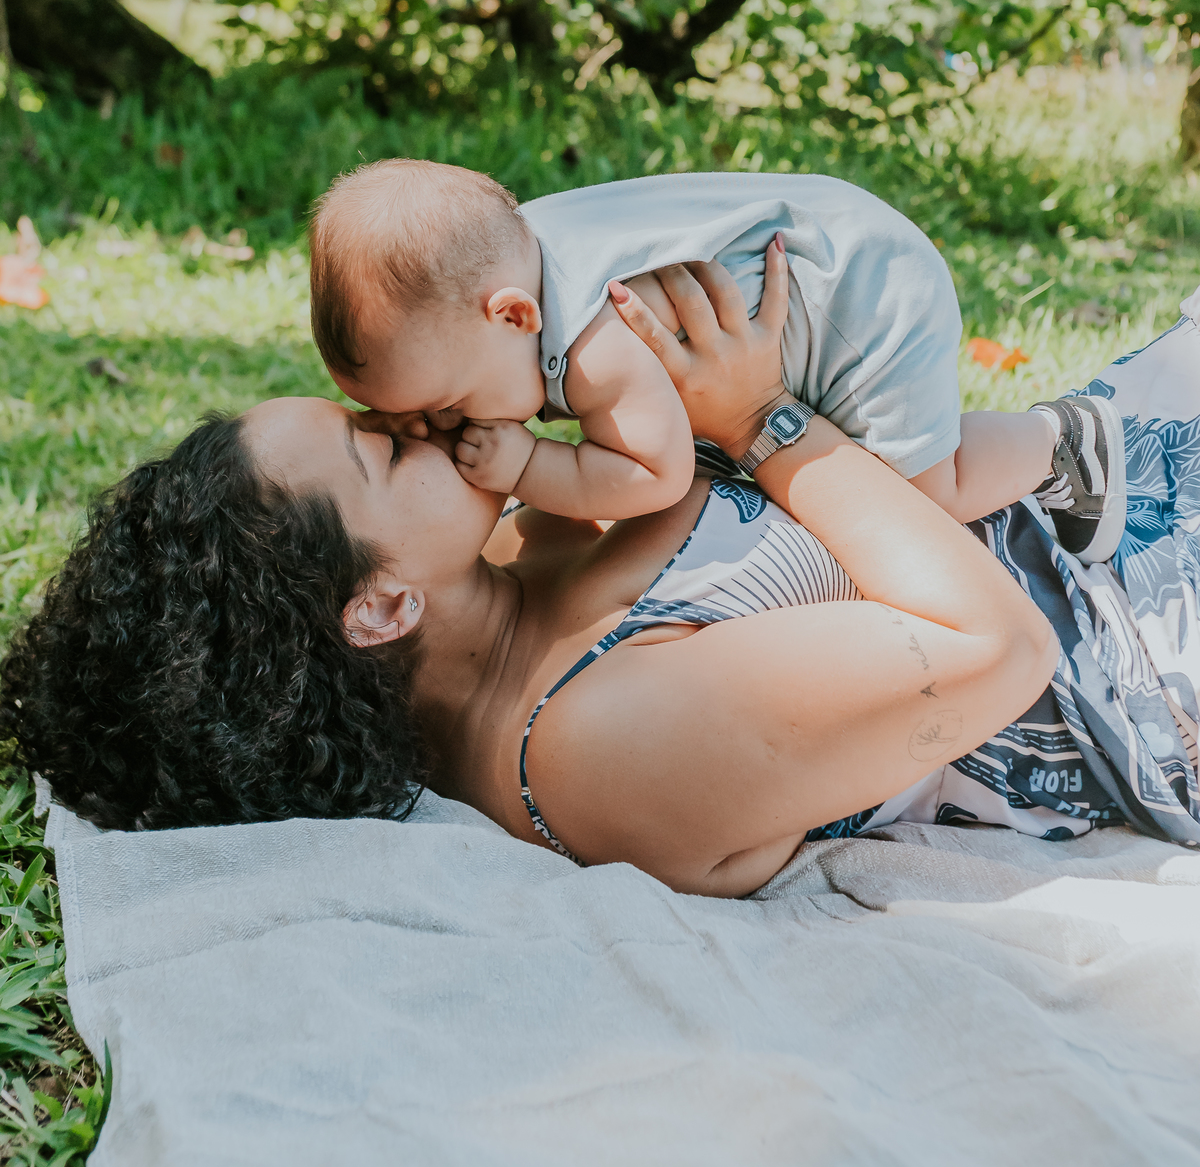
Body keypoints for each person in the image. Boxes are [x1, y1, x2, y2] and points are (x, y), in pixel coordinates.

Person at [4, 258, 1197, 890]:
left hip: (1098, 476)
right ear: (381, 605)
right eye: (379, 444)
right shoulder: (590, 747)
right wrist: (765, 418)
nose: (411, 416)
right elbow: (998, 651)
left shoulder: (518, 545)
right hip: (1141, 630)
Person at [308, 160, 1124, 557]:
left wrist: (525, 465)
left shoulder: (594, 346)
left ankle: (1062, 441)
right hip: (822, 251)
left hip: (860, 294)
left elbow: (648, 475)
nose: (439, 429)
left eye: (446, 405)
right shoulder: (503, 263)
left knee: (914, 498)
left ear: (515, 316)